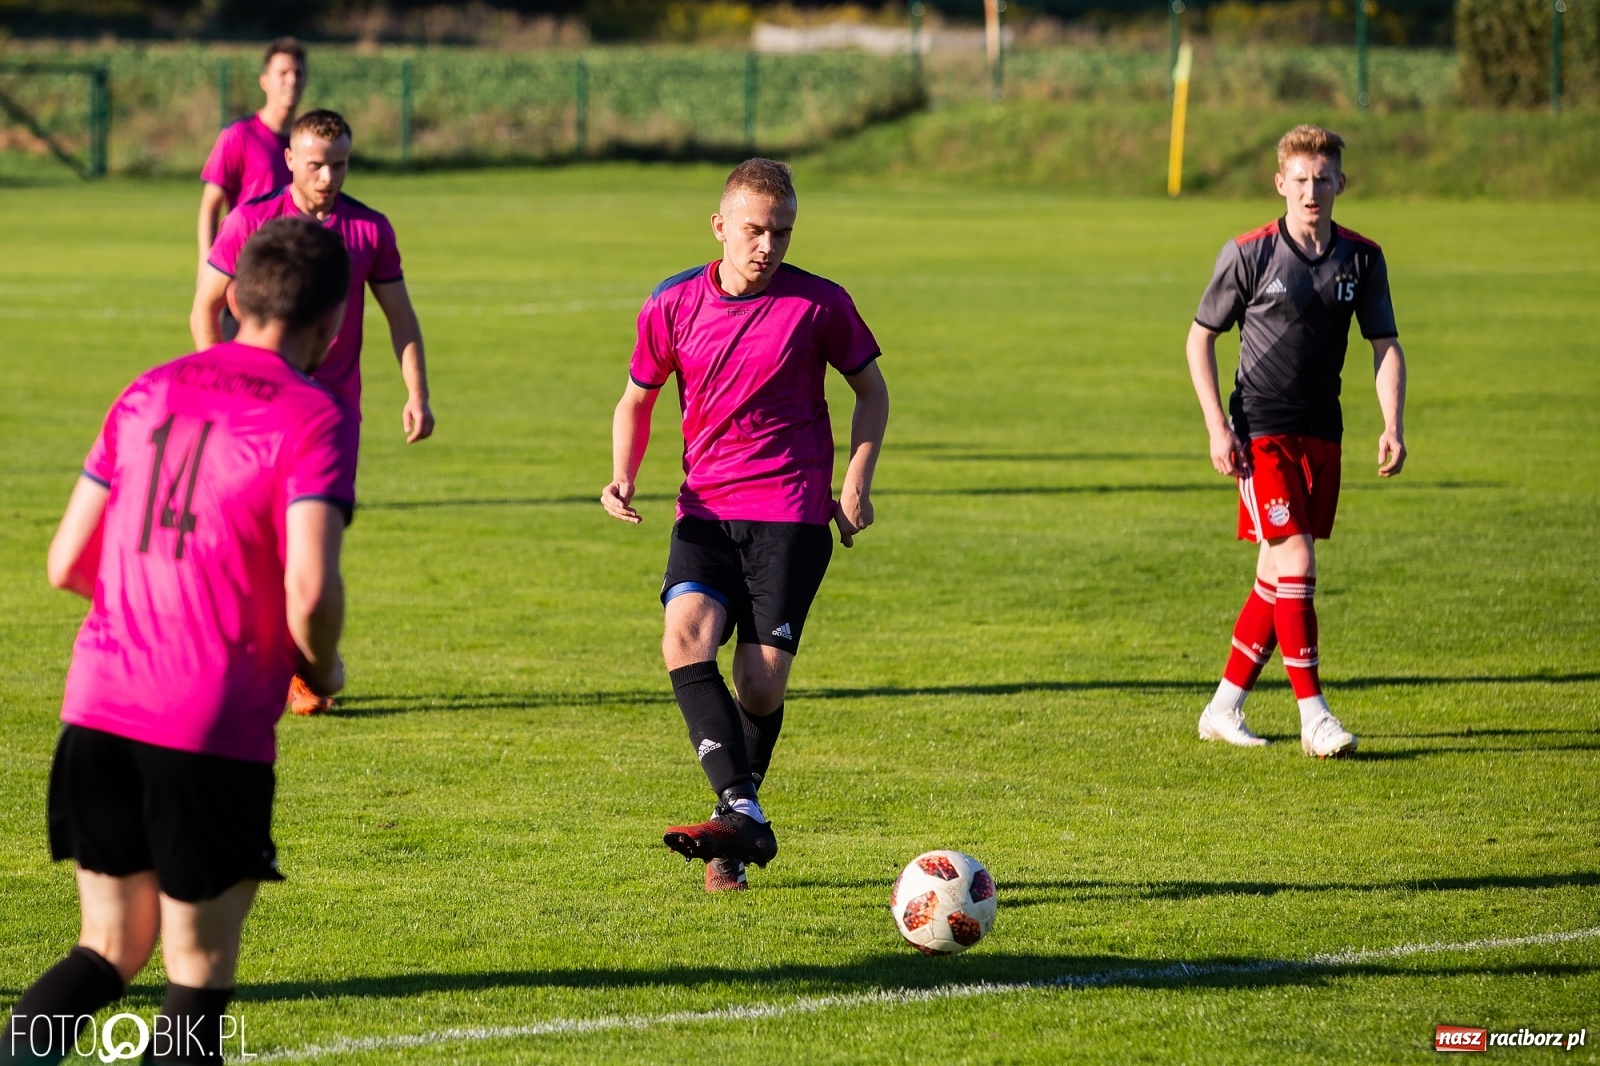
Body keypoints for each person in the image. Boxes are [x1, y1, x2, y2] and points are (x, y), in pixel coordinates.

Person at [1, 218, 356, 1066]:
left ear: (233, 297)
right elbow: (309, 590)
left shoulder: (147, 387)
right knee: (195, 974)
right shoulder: (314, 415)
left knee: (106, 950)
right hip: (205, 719)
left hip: (98, 704)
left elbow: (65, 563)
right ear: (334, 322)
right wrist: (319, 664)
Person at [602, 158, 890, 893]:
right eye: (756, 230)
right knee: (683, 638)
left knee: (759, 687)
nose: (768, 245)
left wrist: (856, 479)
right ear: (720, 225)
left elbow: (871, 391)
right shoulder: (671, 302)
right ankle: (741, 814)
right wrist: (624, 473)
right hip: (703, 508)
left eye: (782, 232)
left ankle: (734, 819)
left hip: (790, 515)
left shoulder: (820, 305)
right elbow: (638, 397)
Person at [191, 109, 434, 716]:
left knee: (312, 545)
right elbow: (205, 306)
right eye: (318, 164)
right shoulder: (251, 221)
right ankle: (270, 663)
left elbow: (399, 316)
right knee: (256, 536)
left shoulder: (369, 229)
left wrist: (417, 392)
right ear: (292, 160)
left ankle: (290, 666)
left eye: (341, 164)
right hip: (256, 408)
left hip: (330, 415)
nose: (328, 176)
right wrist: (221, 383)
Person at [1185, 124, 1408, 759]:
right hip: (1261, 429)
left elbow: (1385, 345)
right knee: (1299, 564)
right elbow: (1201, 337)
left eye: (1323, 179)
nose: (1312, 191)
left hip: (1323, 429)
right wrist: (1215, 427)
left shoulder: (1361, 258)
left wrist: (1392, 424)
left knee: (1273, 575)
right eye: (1300, 180)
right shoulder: (1249, 253)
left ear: (1341, 181)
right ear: (1281, 183)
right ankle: (1315, 717)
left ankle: (1224, 707)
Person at [197, 37, 306, 266]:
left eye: (298, 73)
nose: (292, 80)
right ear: (264, 81)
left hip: (295, 264)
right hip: (248, 265)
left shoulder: (307, 141)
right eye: (283, 73)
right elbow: (210, 206)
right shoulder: (239, 135)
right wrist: (209, 266)